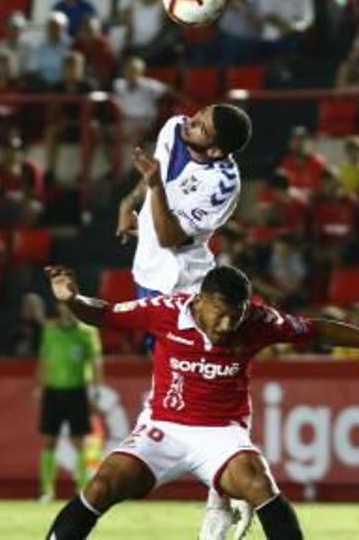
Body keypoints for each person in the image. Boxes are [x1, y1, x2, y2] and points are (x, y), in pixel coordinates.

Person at [41, 264, 359, 540]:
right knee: (103, 484)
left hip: (221, 434)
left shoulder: (259, 321)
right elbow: (105, 314)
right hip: (164, 427)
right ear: (200, 301)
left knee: (258, 483)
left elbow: (317, 328)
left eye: (237, 316)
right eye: (221, 314)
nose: (228, 325)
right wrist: (73, 300)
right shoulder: (164, 311)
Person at [114, 103, 253, 540]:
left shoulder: (222, 183)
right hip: (148, 280)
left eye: (203, 125)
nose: (191, 121)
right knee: (170, 385)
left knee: (206, 386)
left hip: (188, 286)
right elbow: (153, 176)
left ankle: (222, 498)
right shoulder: (174, 127)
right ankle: (229, 485)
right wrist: (130, 201)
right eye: (200, 115)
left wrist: (154, 188)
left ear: (215, 149)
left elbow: (173, 236)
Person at [33, 293, 104, 502]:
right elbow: (43, 359)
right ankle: (47, 491)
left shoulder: (87, 332)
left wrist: (97, 389)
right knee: (49, 441)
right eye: (66, 306)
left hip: (77, 391)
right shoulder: (50, 330)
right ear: (59, 308)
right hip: (53, 391)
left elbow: (95, 361)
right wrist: (39, 385)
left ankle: (81, 490)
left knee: (79, 441)